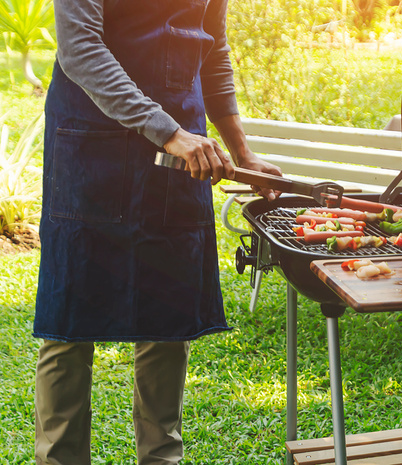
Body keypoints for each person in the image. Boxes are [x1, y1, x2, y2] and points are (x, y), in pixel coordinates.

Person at [33, 0, 282, 463]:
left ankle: (161, 457)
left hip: (186, 144)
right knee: (69, 313)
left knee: (168, 311)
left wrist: (241, 152)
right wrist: (167, 131)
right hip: (91, 140)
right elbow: (81, 48)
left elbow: (213, 48)